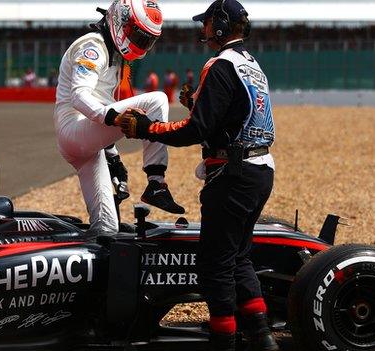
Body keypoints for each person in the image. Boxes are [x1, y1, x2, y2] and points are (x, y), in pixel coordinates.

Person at [115, 0, 278, 350]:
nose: (202, 29)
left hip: (232, 175)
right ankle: (261, 335)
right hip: (260, 170)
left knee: (215, 265)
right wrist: (197, 104)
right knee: (238, 257)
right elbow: (236, 115)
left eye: (206, 23)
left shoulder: (219, 66)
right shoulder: (251, 64)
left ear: (220, 25)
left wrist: (147, 128)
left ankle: (224, 340)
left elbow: (194, 131)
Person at [54, 0, 185, 235]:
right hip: (73, 129)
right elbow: (79, 96)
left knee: (106, 227)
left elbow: (99, 104)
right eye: (137, 35)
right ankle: (156, 182)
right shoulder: (93, 46)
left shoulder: (112, 51)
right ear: (120, 20)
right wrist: (114, 117)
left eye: (146, 40)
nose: (140, 44)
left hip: (85, 142)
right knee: (157, 100)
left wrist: (113, 157)